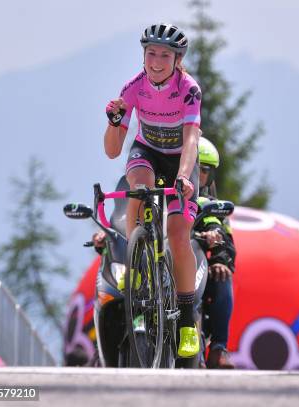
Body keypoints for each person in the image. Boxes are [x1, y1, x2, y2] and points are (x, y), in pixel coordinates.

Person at [103, 23, 202, 358]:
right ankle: (137, 265)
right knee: (139, 189)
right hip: (147, 152)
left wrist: (185, 176)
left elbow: (191, 138)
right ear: (143, 55)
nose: (157, 61)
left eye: (165, 55)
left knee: (177, 233)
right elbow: (113, 151)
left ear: (177, 59)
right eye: (151, 53)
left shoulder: (188, 89)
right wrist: (114, 123)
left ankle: (187, 321)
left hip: (180, 160)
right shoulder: (133, 87)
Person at [195, 137, 236, 369]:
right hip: (162, 262)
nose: (197, 174)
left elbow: (223, 234)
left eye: (203, 170)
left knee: (222, 275)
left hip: (195, 265)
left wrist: (220, 257)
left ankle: (218, 348)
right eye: (193, 167)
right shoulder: (162, 194)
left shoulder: (211, 204)